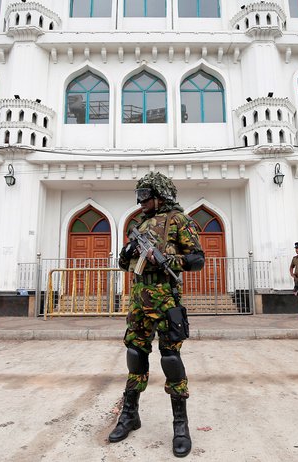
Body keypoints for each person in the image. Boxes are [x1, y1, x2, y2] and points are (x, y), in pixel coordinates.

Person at [110, 172, 205, 458]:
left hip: (165, 300)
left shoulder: (180, 221)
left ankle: (180, 424)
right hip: (139, 300)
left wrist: (165, 258)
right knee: (135, 355)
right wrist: (130, 248)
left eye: (145, 196)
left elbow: (197, 259)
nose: (140, 202)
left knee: (171, 358)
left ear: (161, 195)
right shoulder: (139, 224)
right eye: (138, 196)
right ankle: (130, 415)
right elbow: (124, 262)